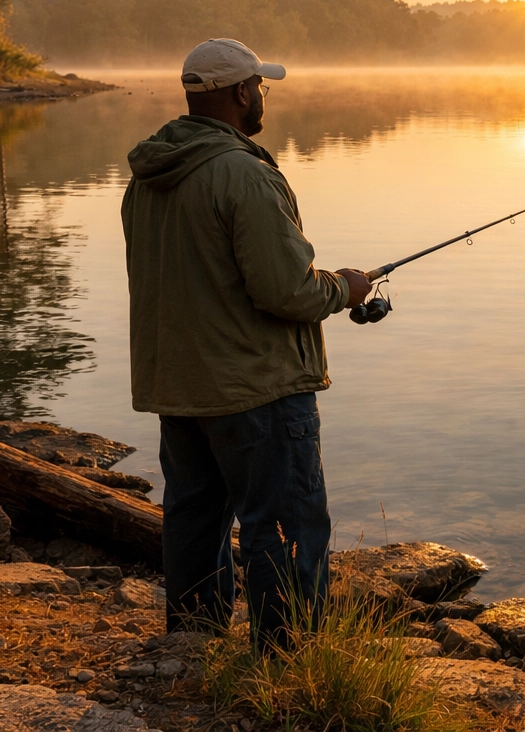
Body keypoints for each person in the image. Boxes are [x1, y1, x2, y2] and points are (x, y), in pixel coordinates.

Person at [121, 38, 373, 646]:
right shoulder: (245, 174)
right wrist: (346, 288)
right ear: (239, 93)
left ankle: (192, 644)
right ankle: (291, 663)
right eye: (259, 86)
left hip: (179, 386)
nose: (262, 96)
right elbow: (287, 291)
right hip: (256, 390)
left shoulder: (146, 179)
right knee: (285, 526)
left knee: (194, 521)